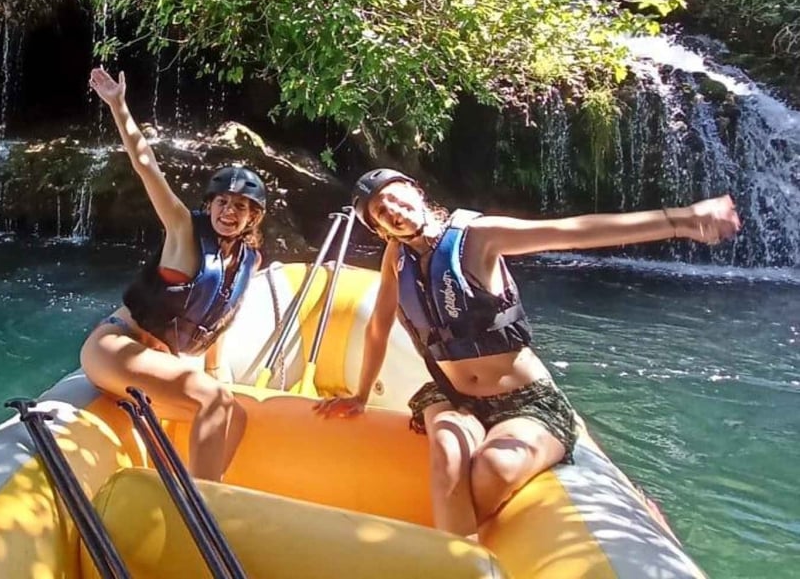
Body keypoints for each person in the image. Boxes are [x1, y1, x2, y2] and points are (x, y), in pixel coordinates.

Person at [317, 168, 740, 535]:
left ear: (416, 191)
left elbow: (573, 231)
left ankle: (448, 552)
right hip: (455, 397)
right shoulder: (396, 258)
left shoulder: (478, 236)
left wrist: (681, 220)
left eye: (395, 197)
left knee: (495, 470)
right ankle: (453, 559)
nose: (392, 209)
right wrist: (360, 395)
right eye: (380, 211)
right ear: (380, 228)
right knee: (447, 445)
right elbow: (379, 326)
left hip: (526, 402)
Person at [80, 66, 266, 480]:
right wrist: (118, 105)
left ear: (253, 217)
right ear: (209, 205)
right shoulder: (183, 229)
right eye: (221, 202)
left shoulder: (248, 260)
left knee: (235, 413)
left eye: (240, 206)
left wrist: (216, 372)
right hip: (116, 347)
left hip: (154, 363)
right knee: (213, 401)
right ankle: (201, 504)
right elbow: (146, 166)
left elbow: (221, 317)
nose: (228, 212)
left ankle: (205, 493)